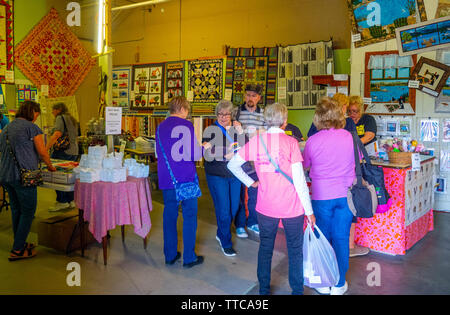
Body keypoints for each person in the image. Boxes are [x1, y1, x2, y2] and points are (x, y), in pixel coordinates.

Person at [228, 103, 315, 295]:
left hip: (266, 206)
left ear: (266, 121)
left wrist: (251, 183)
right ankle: (297, 291)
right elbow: (300, 181)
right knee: (295, 250)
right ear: (285, 122)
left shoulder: (256, 141)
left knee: (265, 248)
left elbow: (232, 165)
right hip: (293, 208)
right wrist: (309, 212)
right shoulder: (291, 143)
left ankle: (264, 291)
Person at [302, 97, 356, 295]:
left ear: (318, 116)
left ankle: (324, 283)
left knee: (322, 238)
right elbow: (357, 161)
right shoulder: (349, 136)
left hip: (321, 196)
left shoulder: (312, 140)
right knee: (341, 238)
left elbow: (305, 165)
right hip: (346, 195)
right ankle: (339, 283)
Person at [0, 101, 56, 261]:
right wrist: (51, 166)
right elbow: (43, 152)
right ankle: (17, 249)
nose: (36, 119)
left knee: (17, 210)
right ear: (32, 112)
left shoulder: (6, 128)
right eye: (36, 115)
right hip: (24, 177)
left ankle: (20, 242)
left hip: (6, 175)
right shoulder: (31, 128)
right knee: (28, 212)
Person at [156, 96, 205, 268]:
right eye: (188, 111)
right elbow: (195, 155)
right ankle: (189, 257)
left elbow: (158, 153)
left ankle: (170, 255)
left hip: (167, 179)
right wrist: (204, 148)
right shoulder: (186, 125)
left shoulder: (160, 127)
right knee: (190, 216)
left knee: (169, 216)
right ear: (183, 109)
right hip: (185, 178)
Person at [202, 100, 246, 257]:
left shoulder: (235, 129)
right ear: (216, 115)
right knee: (224, 210)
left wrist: (240, 132)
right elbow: (206, 154)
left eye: (226, 114)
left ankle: (221, 231)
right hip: (216, 175)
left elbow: (244, 148)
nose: (223, 117)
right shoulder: (210, 130)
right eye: (220, 114)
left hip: (234, 174)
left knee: (234, 207)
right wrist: (223, 154)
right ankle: (225, 241)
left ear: (231, 115)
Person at [234, 83, 266, 238]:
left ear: (259, 98)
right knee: (239, 193)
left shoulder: (264, 114)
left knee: (255, 192)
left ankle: (253, 222)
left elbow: (267, 135)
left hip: (256, 159)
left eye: (253, 95)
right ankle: (240, 225)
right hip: (239, 158)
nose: (250, 98)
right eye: (247, 95)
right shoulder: (237, 112)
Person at [347, 95, 377, 257]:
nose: (353, 114)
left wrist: (354, 143)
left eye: (356, 111)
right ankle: (349, 243)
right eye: (350, 111)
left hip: (367, 156)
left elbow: (370, 135)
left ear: (362, 109)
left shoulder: (368, 119)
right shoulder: (347, 122)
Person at [45, 103, 80, 211]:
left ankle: (62, 201)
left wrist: (45, 148)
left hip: (63, 151)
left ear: (58, 109)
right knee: (69, 177)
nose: (52, 112)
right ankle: (71, 200)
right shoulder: (72, 119)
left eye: (53, 110)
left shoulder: (60, 118)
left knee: (58, 176)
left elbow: (57, 134)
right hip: (74, 151)